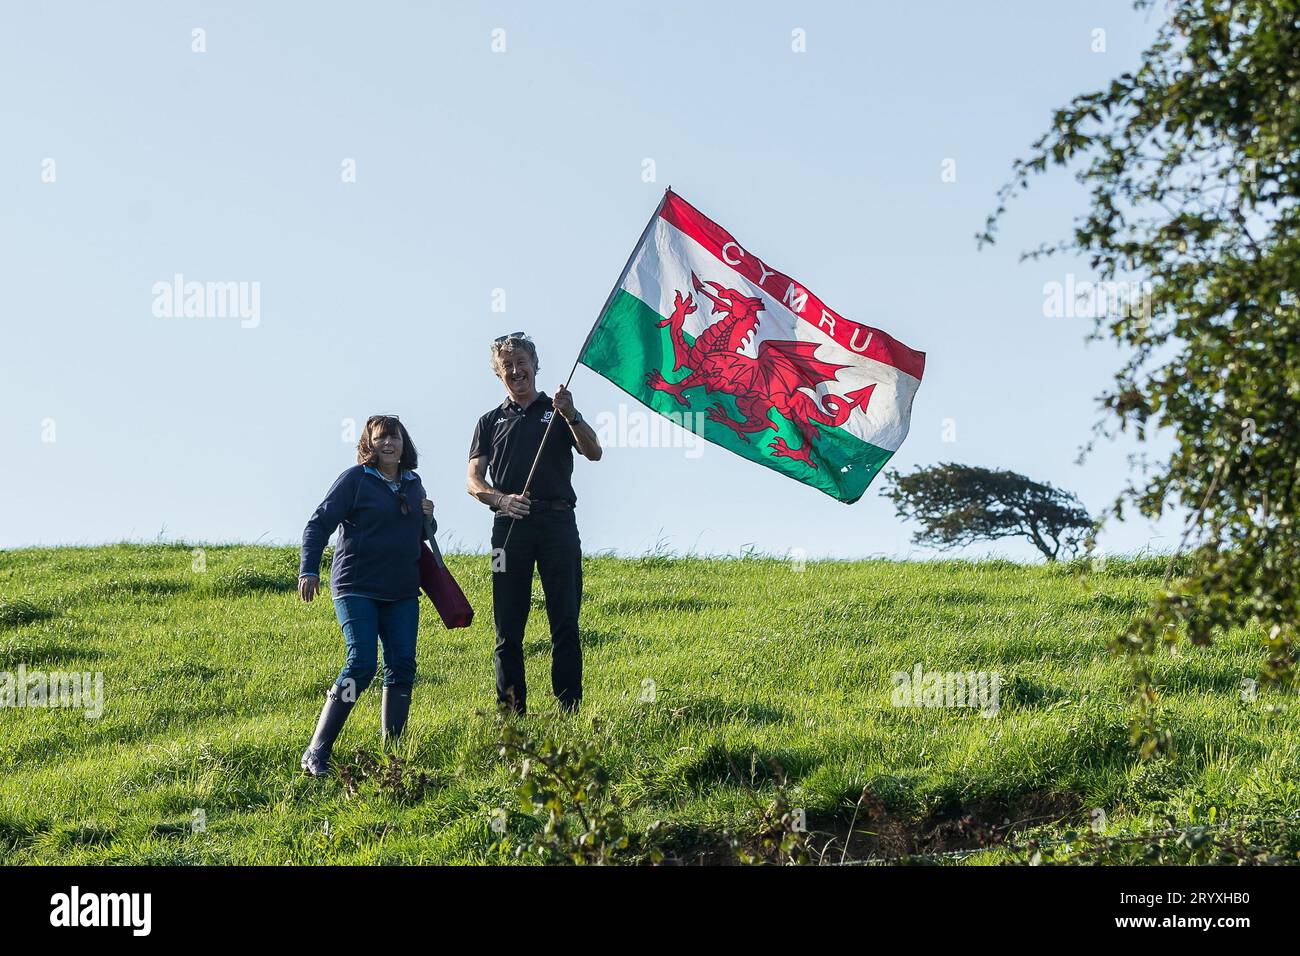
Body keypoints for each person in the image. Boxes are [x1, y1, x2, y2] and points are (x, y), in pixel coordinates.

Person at [466, 333, 602, 715]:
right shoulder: (489, 421)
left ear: (535, 365)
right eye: (506, 366)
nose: (515, 371)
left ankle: (568, 708)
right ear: (498, 373)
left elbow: (594, 452)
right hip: (507, 531)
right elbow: (472, 480)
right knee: (507, 628)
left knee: (565, 621)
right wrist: (501, 499)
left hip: (558, 524)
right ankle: (511, 715)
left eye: (521, 363)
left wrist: (571, 414)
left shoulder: (557, 410)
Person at [298, 415, 434, 776]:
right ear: (369, 445)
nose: (389, 444)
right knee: (361, 664)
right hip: (356, 586)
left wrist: (429, 519)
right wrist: (308, 569)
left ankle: (393, 760)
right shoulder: (356, 479)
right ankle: (316, 752)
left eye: (395, 438)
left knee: (402, 666)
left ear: (405, 444)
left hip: (403, 590)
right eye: (380, 438)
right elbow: (318, 523)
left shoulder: (413, 483)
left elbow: (418, 534)